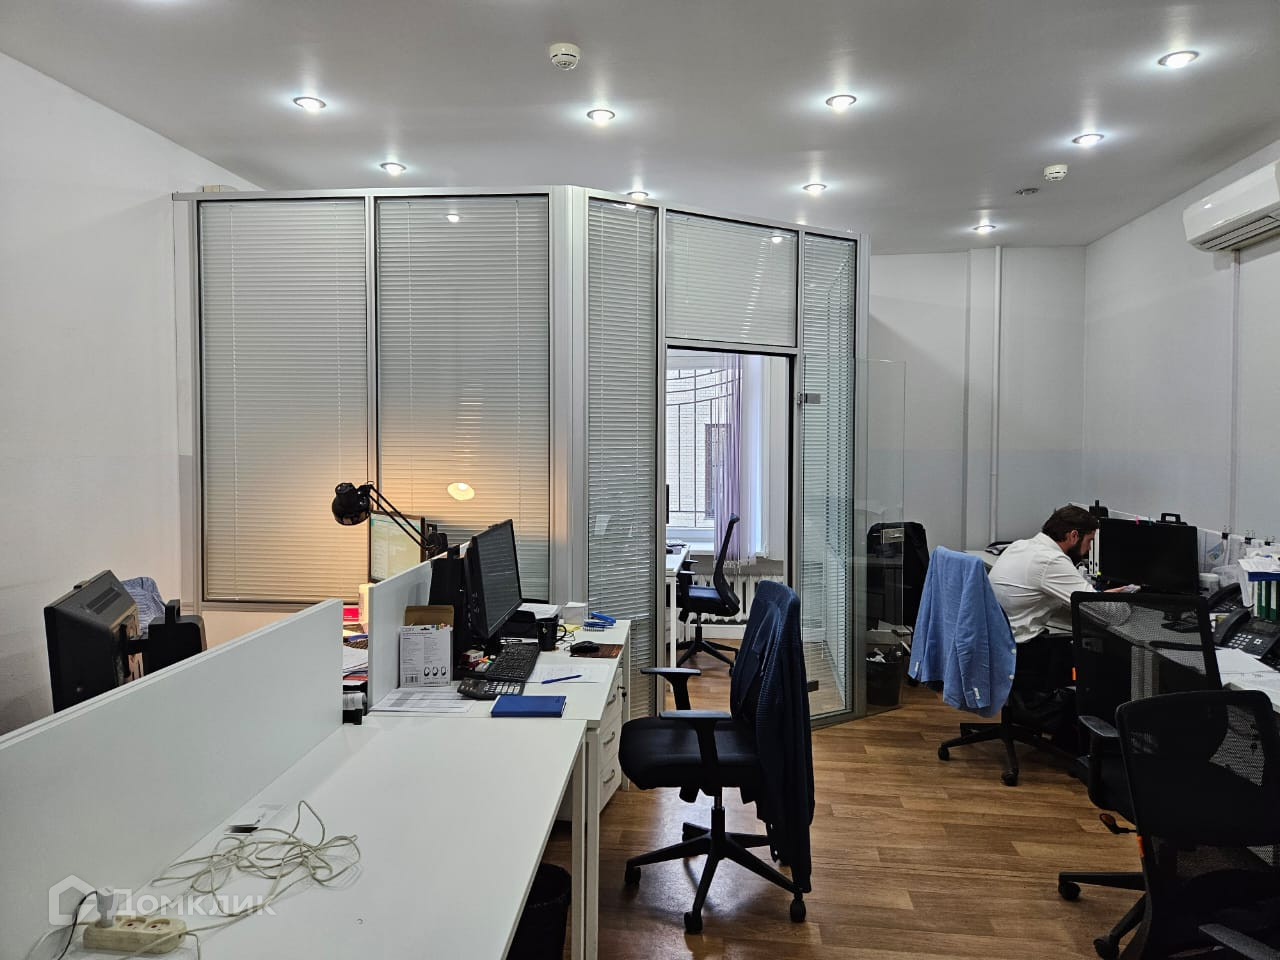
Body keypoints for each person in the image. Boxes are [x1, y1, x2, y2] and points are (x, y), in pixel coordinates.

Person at [988, 504, 1131, 747]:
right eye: (1089, 541)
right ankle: (1082, 739)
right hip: (1021, 651)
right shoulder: (1051, 561)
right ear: (1073, 535)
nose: (1088, 551)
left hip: (998, 642)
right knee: (1099, 662)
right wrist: (1128, 600)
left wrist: (1096, 599)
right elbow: (1108, 614)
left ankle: (1056, 727)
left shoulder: (1021, 546)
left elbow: (1066, 603)